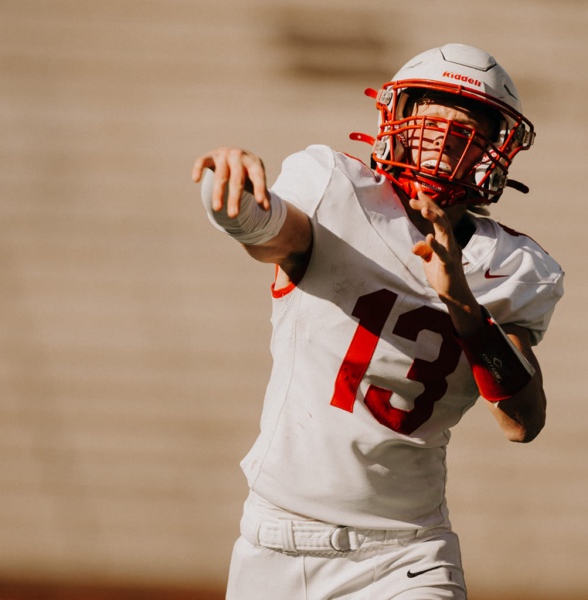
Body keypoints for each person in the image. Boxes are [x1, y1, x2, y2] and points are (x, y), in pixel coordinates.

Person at [192, 43, 565, 600]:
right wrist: (235, 205)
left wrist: (462, 302)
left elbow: (523, 420)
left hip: (406, 554)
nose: (441, 139)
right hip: (273, 543)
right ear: (397, 119)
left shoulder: (512, 268)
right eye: (431, 118)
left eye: (464, 127)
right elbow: (275, 233)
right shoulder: (335, 189)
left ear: (494, 150)